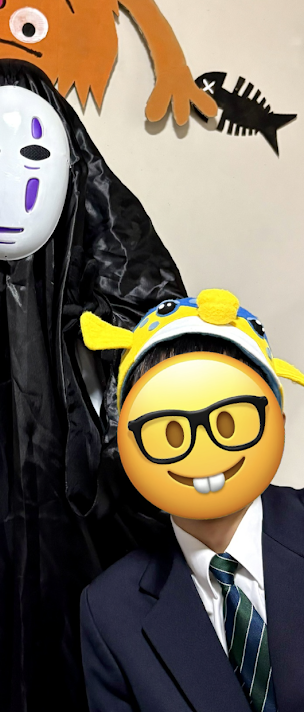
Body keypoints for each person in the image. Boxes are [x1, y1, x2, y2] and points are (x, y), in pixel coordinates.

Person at [0, 58, 187, 712]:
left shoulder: (108, 239)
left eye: (30, 152)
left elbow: (162, 343)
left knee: (102, 661)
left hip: (91, 508)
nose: (9, 176)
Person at [79, 289, 304, 712]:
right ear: (128, 448)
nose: (203, 450)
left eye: (228, 422)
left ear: (276, 421)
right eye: (170, 432)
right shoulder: (109, 610)